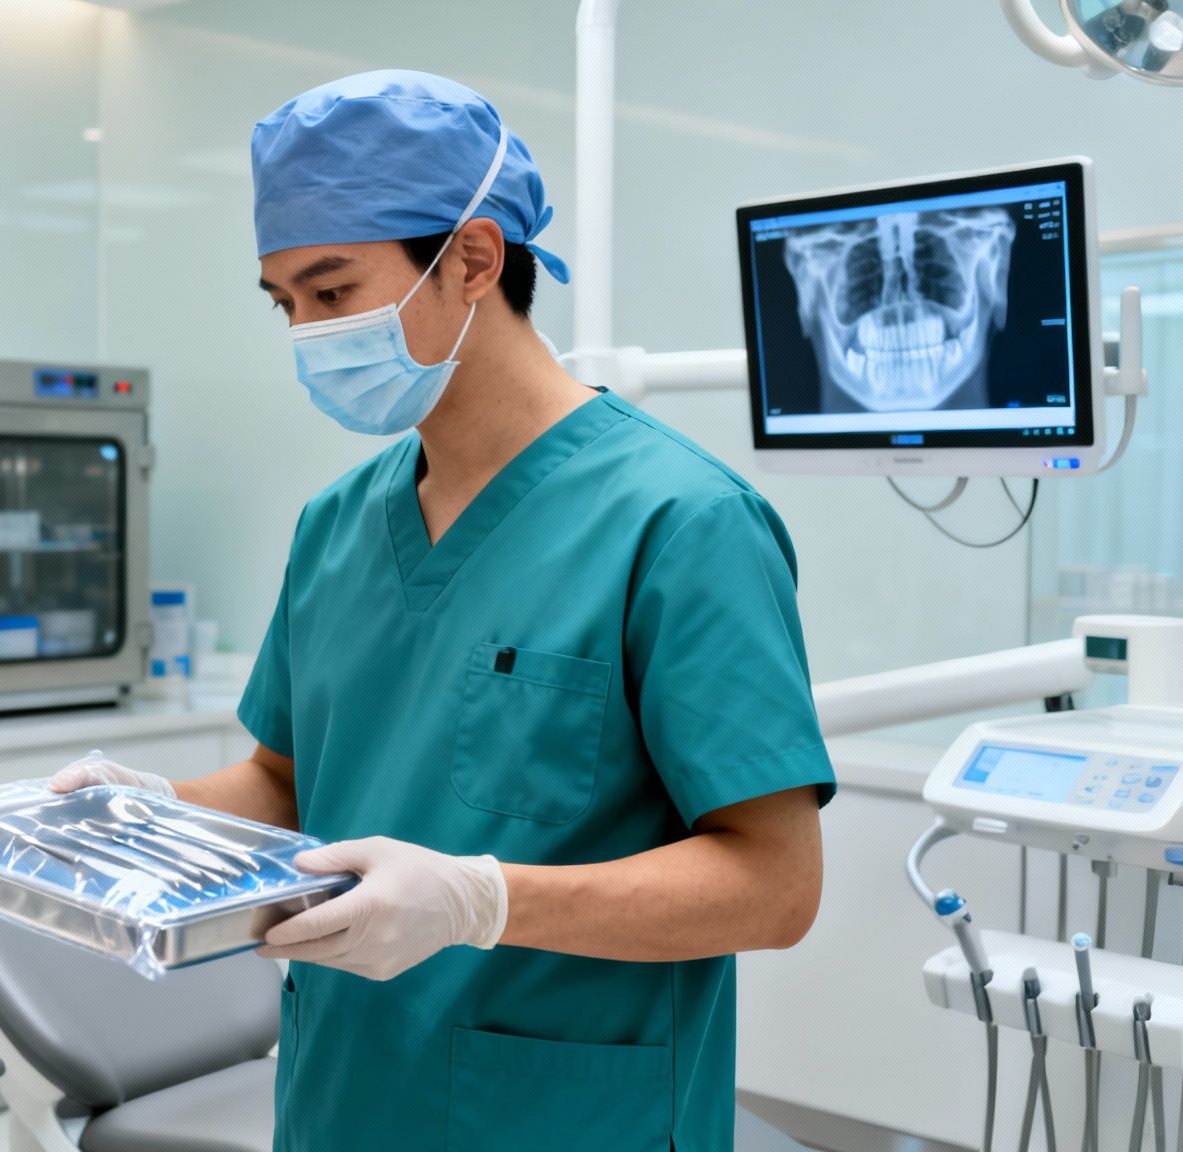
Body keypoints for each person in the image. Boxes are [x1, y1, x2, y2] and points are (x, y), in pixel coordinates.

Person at [53, 69, 834, 1151]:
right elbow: (287, 779)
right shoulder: (337, 524)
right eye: (284, 304)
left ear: (470, 258)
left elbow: (772, 884)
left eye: (331, 293)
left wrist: (478, 901)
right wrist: (157, 817)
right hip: (341, 1096)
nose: (306, 336)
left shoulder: (681, 521)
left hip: (560, 1115)